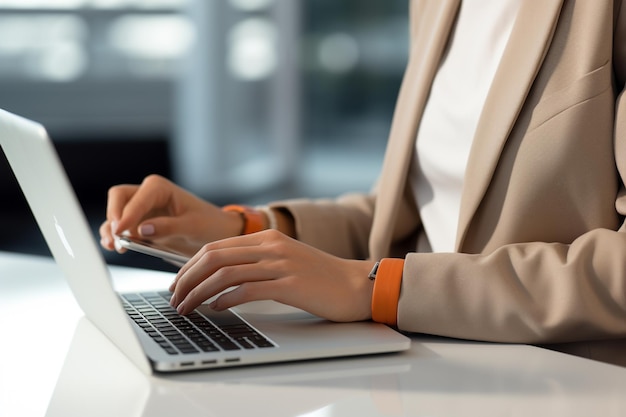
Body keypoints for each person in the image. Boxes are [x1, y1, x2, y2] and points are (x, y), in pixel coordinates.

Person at [100, 0, 626, 366]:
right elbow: (411, 216)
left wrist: (376, 289)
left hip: (558, 375)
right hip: (426, 361)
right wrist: (238, 228)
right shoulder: (440, 6)